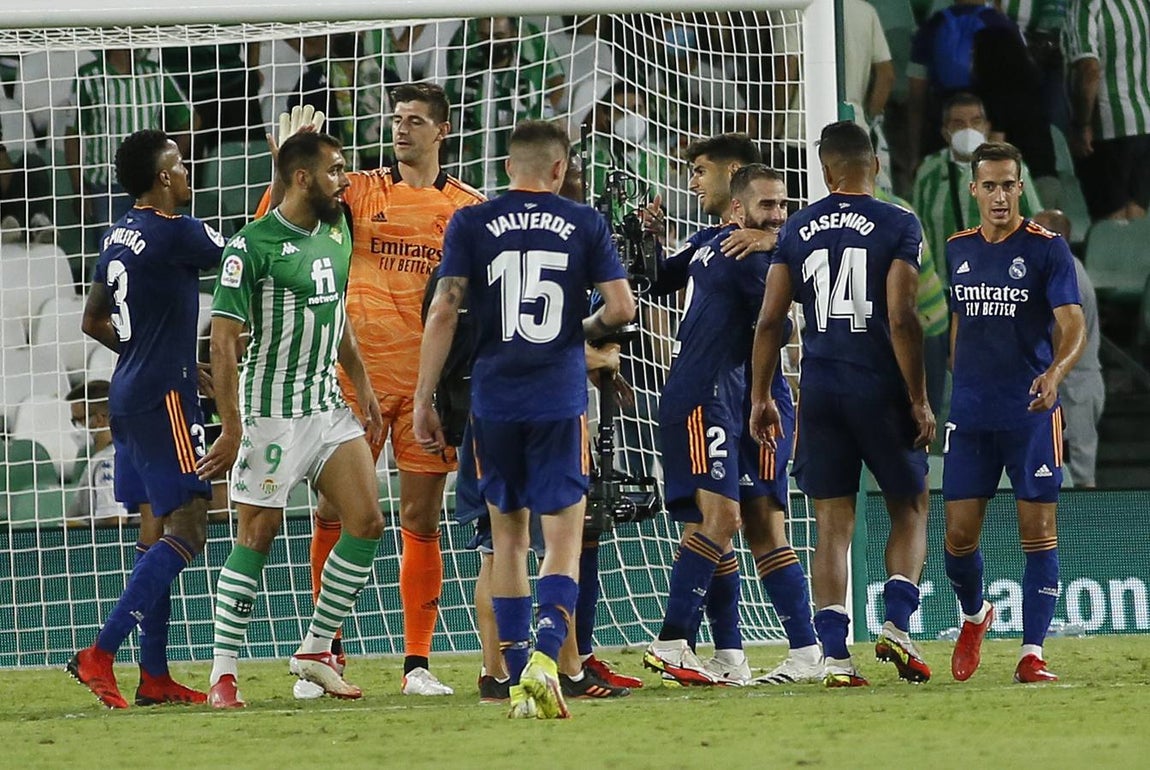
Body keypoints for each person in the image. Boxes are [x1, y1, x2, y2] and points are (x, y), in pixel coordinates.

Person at [258, 84, 485, 696]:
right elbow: (274, 230)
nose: (402, 129)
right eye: (396, 119)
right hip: (347, 383)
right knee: (333, 513)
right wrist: (291, 160)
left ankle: (417, 665)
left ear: (442, 131)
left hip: (426, 389)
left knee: (419, 517)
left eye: (415, 121)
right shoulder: (355, 190)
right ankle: (322, 655)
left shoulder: (468, 209)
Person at [413, 119, 635, 719]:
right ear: (559, 170)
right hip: (560, 403)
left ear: (508, 168)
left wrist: (423, 398)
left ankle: (514, 677)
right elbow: (621, 308)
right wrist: (573, 334)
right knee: (561, 542)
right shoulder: (585, 223)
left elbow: (443, 311)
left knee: (505, 540)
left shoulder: (471, 220)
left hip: (493, 404)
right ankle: (545, 658)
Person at [198, 131, 385, 708]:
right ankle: (223, 672)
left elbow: (339, 316)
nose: (345, 180)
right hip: (269, 412)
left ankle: (312, 649)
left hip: (326, 404)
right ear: (301, 178)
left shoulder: (338, 228)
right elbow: (223, 341)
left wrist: (368, 389)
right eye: (334, 171)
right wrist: (231, 426)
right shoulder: (250, 246)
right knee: (257, 534)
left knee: (368, 522)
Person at [749, 120, 936, 687]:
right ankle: (898, 626)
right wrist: (920, 398)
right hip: (879, 386)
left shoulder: (799, 225)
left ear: (826, 171)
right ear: (874, 164)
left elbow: (770, 319)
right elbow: (902, 317)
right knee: (910, 506)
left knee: (832, 521)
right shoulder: (899, 222)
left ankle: (834, 657)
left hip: (820, 388)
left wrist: (760, 395)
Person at [639, 138, 821, 687]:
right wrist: (646, 240)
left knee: (749, 520)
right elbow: (654, 281)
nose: (779, 214)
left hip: (746, 397)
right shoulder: (711, 244)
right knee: (726, 520)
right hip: (717, 396)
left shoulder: (752, 248)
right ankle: (716, 649)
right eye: (769, 206)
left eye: (782, 206)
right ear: (743, 204)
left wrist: (771, 236)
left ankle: (780, 650)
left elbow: (784, 311)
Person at [67, 129, 225, 709]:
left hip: (129, 392)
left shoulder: (117, 233)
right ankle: (100, 653)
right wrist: (286, 175)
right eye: (180, 165)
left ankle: (154, 676)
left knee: (154, 528)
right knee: (190, 525)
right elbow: (251, 248)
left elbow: (92, 320)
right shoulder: (177, 232)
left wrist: (152, 355)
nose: (187, 173)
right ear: (163, 177)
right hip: (163, 399)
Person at [942, 142, 1085, 683]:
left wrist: (1054, 374)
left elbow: (1072, 326)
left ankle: (1031, 653)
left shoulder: (1047, 250)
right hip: (973, 415)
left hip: (1030, 413)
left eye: (1009, 185)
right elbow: (959, 326)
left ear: (1020, 188)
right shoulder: (958, 249)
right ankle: (975, 615)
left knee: (1038, 531)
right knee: (958, 538)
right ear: (973, 189)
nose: (1000, 196)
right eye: (990, 185)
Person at [64, 48, 197, 262]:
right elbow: (72, 136)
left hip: (151, 186)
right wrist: (79, 188)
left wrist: (171, 165)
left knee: (155, 254)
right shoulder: (88, 77)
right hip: (106, 187)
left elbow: (189, 119)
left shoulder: (155, 74)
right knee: (113, 257)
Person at [912, 92, 1044, 286]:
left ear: (986, 128)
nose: (968, 129)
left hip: (999, 288)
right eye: (958, 123)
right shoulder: (928, 172)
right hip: (945, 289)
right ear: (945, 131)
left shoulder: (1012, 168)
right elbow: (917, 230)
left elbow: (1035, 221)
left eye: (976, 122)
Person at [1032, 209, 1104, 488]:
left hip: (1077, 390)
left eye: (1037, 233)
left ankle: (1085, 530)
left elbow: (1061, 335)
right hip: (1068, 385)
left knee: (1082, 476)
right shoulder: (1057, 269)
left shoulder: (1069, 274)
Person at [1063, 0, 1150, 221]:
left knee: (1111, 220)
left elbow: (1089, 69)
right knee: (1136, 217)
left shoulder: (1086, 5)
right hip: (1144, 123)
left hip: (1109, 128)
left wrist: (1082, 125)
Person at [65, 379, 134, 527]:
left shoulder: (107, 463)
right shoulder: (131, 452)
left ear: (99, 420)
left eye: (78, 420)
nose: (76, 428)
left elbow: (115, 522)